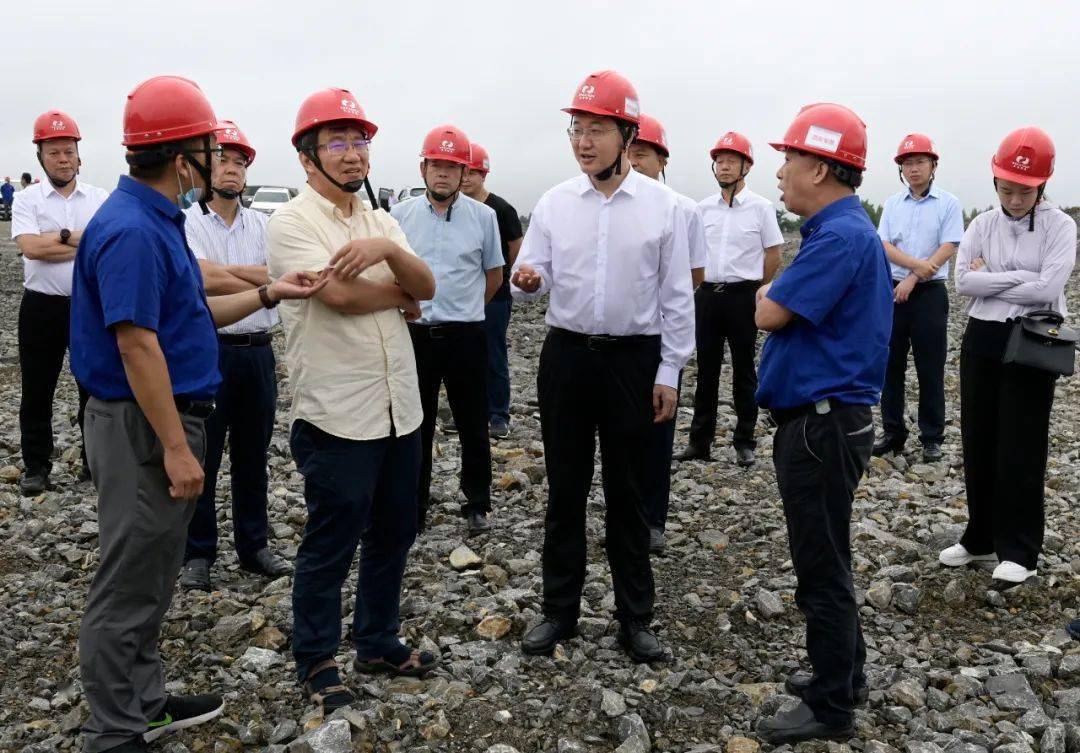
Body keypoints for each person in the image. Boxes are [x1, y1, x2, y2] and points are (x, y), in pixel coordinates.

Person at [70, 75, 325, 753]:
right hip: (142, 423)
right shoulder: (131, 231)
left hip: (163, 415)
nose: (217, 160)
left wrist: (270, 290)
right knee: (128, 578)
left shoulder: (157, 220)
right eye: (210, 148)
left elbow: (192, 316)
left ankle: (145, 701)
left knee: (154, 570)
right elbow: (136, 344)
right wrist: (178, 450)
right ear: (184, 157)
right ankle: (113, 728)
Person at [512, 70, 694, 663]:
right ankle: (558, 611)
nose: (583, 141)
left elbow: (675, 298)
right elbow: (529, 281)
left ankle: (634, 618)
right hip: (567, 357)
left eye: (596, 129)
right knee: (565, 489)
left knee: (630, 493)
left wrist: (670, 371)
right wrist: (527, 281)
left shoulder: (667, 209)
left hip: (633, 362)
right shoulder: (554, 202)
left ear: (627, 134)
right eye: (576, 129)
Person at [267, 87, 438, 713]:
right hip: (338, 410)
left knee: (395, 529)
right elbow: (332, 295)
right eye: (335, 142)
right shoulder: (291, 221)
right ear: (307, 157)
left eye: (359, 141)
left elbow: (428, 284)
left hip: (401, 406)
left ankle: (376, 640)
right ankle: (315, 657)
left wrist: (389, 254)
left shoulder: (382, 220)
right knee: (331, 539)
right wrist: (395, 294)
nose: (351, 154)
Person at [752, 103, 892, 744]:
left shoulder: (839, 235)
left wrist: (764, 295)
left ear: (823, 165)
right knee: (829, 552)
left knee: (821, 564)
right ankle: (847, 673)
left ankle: (832, 706)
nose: (780, 169)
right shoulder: (844, 230)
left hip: (821, 426)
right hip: (828, 422)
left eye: (789, 157)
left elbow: (769, 314)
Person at [939, 127, 1076, 586]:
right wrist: (1021, 277)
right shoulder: (980, 224)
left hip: (1034, 340)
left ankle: (1020, 548)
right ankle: (980, 538)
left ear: (1043, 185)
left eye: (1025, 191)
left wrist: (994, 273)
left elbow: (1048, 290)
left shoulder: (1061, 226)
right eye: (1006, 189)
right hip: (983, 336)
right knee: (978, 437)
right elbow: (962, 284)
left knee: (1022, 442)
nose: (1014, 199)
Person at [178, 120, 291, 591]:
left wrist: (234, 274)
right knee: (203, 454)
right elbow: (201, 280)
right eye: (223, 159)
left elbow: (282, 272)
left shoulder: (266, 224)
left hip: (258, 354)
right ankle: (198, 552)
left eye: (240, 162)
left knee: (252, 454)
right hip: (210, 351)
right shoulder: (186, 222)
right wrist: (261, 281)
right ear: (207, 166)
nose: (231, 169)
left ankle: (253, 545)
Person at [391, 126, 503, 535]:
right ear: (423, 168)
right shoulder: (399, 216)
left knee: (472, 421)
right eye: (436, 165)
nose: (443, 174)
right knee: (413, 423)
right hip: (415, 333)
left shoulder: (484, 217)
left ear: (463, 172)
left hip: (465, 335)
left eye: (451, 167)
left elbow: (493, 275)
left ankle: (476, 502)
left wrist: (468, 307)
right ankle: (412, 505)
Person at [11, 110, 108, 495]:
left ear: (79, 155)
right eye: (54, 152)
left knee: (94, 388)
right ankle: (37, 467)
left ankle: (94, 465)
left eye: (68, 151)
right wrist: (77, 239)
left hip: (88, 307)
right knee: (38, 389)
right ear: (40, 156)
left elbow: (101, 245)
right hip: (41, 307)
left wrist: (57, 238)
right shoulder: (26, 199)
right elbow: (31, 249)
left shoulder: (100, 198)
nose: (63, 159)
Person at [626, 113, 707, 554]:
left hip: (660, 334)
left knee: (657, 430)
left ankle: (653, 518)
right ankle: (621, 514)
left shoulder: (683, 208)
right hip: (620, 337)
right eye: (631, 152)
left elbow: (693, 274)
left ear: (662, 159)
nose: (635, 162)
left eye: (643, 154)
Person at [678, 131, 784, 468]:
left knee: (744, 371)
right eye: (719, 161)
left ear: (746, 166)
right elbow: (693, 253)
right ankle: (700, 441)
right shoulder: (702, 208)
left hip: (743, 296)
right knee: (706, 371)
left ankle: (745, 440)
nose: (723, 167)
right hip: (707, 296)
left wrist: (759, 288)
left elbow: (774, 253)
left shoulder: (762, 208)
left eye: (731, 161)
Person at [873, 134, 964, 462]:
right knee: (890, 366)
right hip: (893, 291)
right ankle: (893, 433)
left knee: (930, 367)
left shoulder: (949, 203)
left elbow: (949, 245)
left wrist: (915, 277)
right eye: (907, 163)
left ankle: (931, 437)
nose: (913, 169)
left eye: (920, 162)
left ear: (933, 165)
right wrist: (913, 267)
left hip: (928, 294)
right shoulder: (892, 204)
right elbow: (883, 245)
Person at [460, 141, 525, 439]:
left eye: (474, 172)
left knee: (493, 354)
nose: (467, 178)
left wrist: (510, 284)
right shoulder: (455, 208)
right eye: (464, 171)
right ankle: (470, 413)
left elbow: (516, 252)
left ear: (483, 174)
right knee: (464, 356)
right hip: (461, 295)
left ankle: (499, 415)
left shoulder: (501, 209)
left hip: (495, 296)